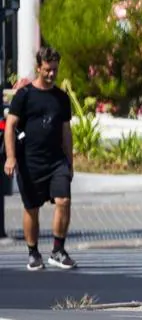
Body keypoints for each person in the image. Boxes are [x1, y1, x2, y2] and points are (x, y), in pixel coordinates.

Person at [3, 45, 78, 271]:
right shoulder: (24, 96)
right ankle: (33, 252)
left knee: (64, 201)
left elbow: (66, 131)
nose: (52, 74)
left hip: (56, 161)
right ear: (39, 68)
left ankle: (58, 250)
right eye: (47, 69)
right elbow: (10, 126)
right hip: (29, 162)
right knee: (31, 209)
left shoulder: (61, 98)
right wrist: (10, 157)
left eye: (55, 69)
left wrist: (70, 161)